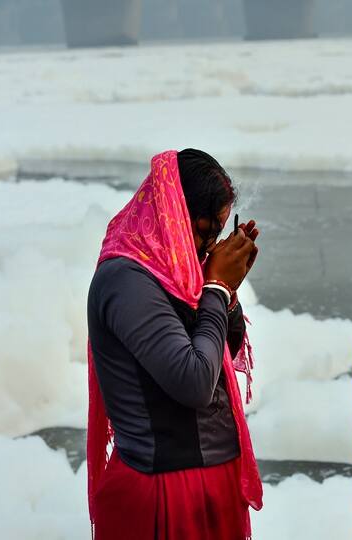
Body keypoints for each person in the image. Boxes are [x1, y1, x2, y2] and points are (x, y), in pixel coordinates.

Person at [86, 149, 263, 540]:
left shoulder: (175, 270)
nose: (208, 247)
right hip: (162, 491)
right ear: (174, 214)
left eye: (217, 235)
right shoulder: (127, 278)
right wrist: (216, 287)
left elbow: (222, 350)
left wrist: (226, 290)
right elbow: (194, 381)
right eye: (204, 231)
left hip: (209, 484)